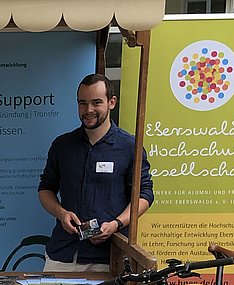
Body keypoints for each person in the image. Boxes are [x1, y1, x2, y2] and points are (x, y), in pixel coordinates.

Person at [38, 73, 154, 272]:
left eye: (96, 102)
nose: (88, 110)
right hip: (62, 253)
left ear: (112, 102)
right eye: (83, 103)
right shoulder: (62, 146)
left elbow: (144, 195)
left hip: (108, 258)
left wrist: (117, 224)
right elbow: (45, 189)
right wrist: (62, 213)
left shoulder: (130, 147)